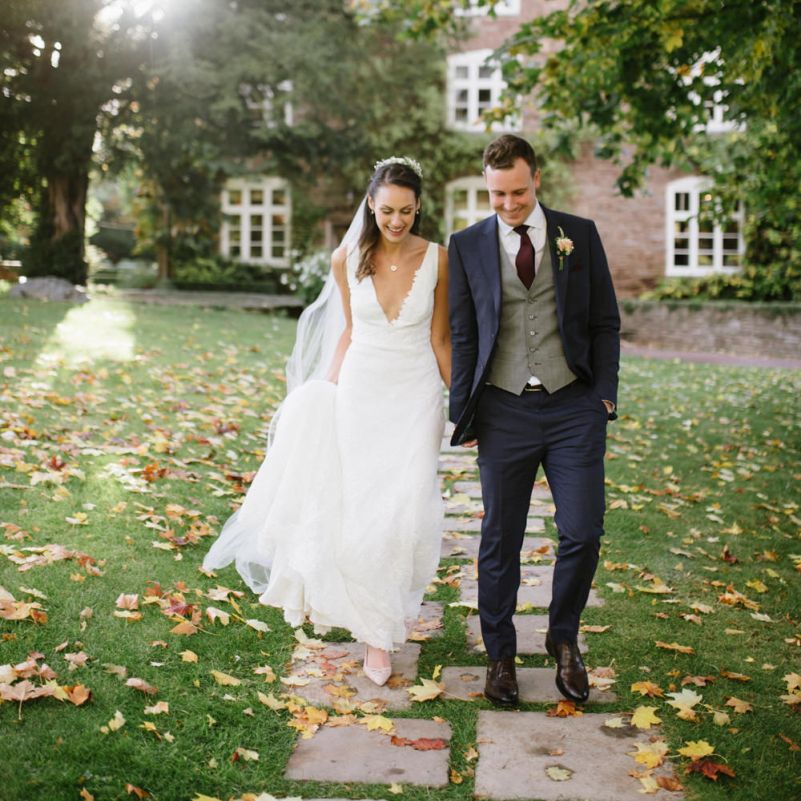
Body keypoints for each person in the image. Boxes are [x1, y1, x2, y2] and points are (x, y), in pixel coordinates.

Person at [203, 157, 450, 686]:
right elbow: (346, 332)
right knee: (362, 514)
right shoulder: (347, 259)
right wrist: (325, 391)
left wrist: (467, 404)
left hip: (415, 395)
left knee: (406, 511)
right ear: (371, 205)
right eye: (387, 210)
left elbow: (440, 338)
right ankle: (376, 637)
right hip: (360, 394)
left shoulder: (439, 260)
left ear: (419, 208)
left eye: (407, 211)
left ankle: (384, 616)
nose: (397, 221)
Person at [448, 134, 620, 706]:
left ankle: (564, 638)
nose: (508, 203)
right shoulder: (467, 244)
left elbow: (604, 322)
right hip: (502, 408)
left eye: (517, 191)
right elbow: (465, 333)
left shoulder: (581, 235)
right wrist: (464, 411)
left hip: (572, 405)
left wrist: (604, 398)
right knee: (501, 538)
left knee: (583, 531)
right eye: (497, 194)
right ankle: (500, 655)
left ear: (536, 179)